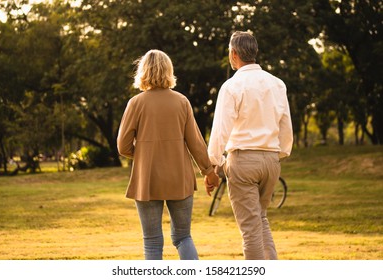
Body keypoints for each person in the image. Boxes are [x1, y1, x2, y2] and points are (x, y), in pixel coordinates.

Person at [117, 49, 219, 260]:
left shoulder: (135, 104)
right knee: (183, 237)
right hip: (179, 178)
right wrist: (209, 172)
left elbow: (123, 146)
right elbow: (196, 143)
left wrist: (145, 155)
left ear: (143, 72)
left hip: (147, 180)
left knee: (152, 242)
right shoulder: (182, 102)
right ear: (169, 71)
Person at [205, 31, 293, 260]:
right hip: (272, 160)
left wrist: (213, 165)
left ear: (233, 54)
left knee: (250, 231)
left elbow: (220, 130)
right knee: (260, 219)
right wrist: (278, 153)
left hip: (244, 161)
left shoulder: (232, 86)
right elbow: (286, 126)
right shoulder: (278, 84)